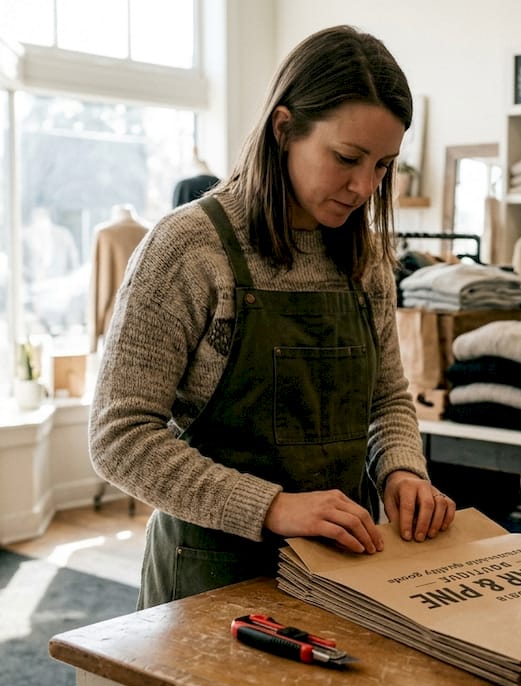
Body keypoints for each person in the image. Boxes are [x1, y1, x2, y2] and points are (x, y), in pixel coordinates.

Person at [89, 25, 455, 609]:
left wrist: (402, 472)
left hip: (343, 572)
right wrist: (272, 508)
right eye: (347, 158)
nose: (364, 187)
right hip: (209, 578)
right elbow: (120, 438)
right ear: (284, 130)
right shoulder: (187, 249)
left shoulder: (366, 261)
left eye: (384, 166)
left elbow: (386, 400)